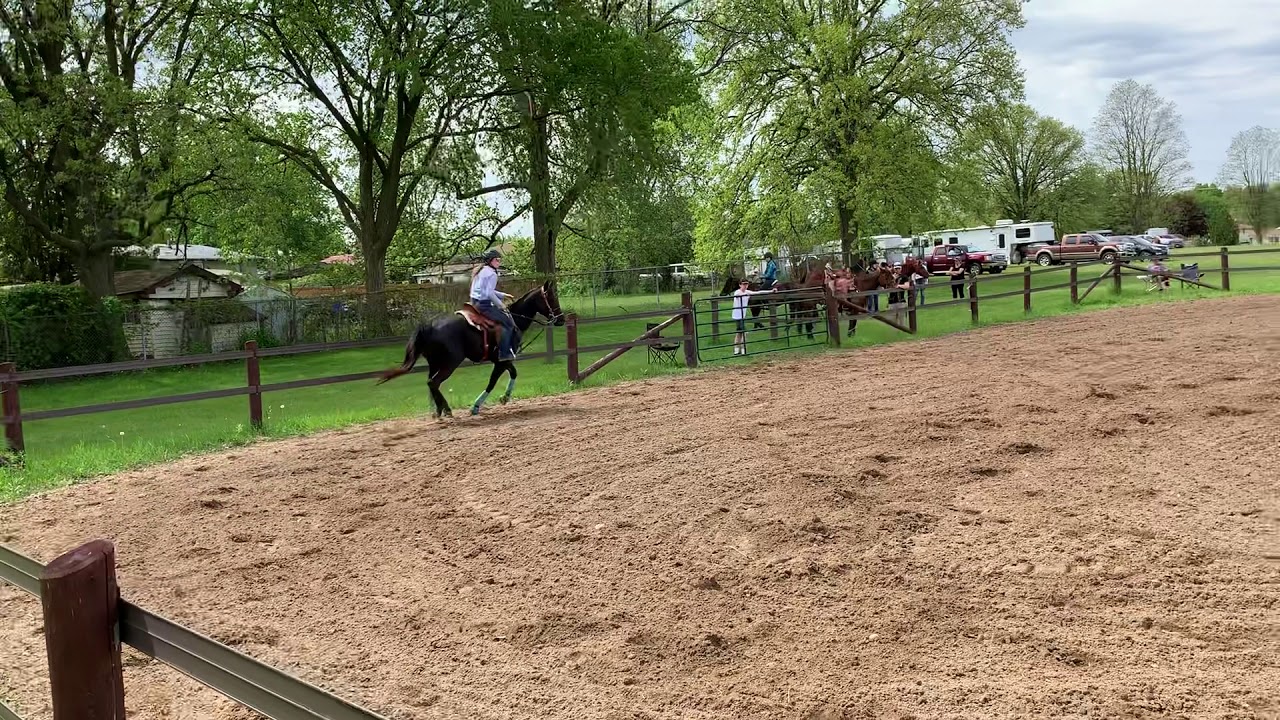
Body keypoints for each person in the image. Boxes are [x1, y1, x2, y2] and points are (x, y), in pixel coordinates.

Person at [469, 249, 517, 361]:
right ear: (490, 260)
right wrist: (501, 305)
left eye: (500, 260)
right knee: (508, 323)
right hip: (483, 305)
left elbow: (486, 290)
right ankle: (504, 353)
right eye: (497, 260)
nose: (499, 262)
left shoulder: (481, 270)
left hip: (473, 303)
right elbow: (489, 293)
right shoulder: (492, 274)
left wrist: (503, 295)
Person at [732, 278, 777, 355]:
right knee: (743, 332)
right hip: (737, 315)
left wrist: (771, 291)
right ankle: (743, 349)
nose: (745, 286)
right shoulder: (737, 292)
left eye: (746, 284)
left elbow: (759, 292)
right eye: (743, 284)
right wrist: (745, 294)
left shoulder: (747, 292)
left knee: (739, 332)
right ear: (740, 285)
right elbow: (737, 295)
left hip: (742, 315)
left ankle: (737, 349)